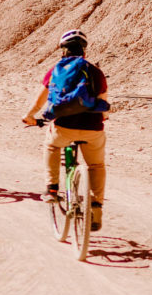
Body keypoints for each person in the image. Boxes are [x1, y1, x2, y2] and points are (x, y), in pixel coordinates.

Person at [22, 29, 109, 231]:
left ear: (63, 50)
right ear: (84, 50)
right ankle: (96, 207)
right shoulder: (95, 71)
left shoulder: (56, 70)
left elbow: (42, 98)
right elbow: (103, 104)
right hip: (93, 129)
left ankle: (52, 189)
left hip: (64, 127)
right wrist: (103, 117)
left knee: (51, 146)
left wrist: (30, 115)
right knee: (96, 165)